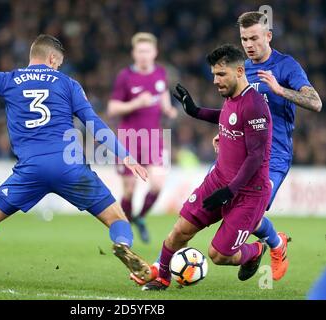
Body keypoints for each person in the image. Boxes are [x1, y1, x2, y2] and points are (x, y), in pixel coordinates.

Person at [0, 34, 155, 291]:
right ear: (51, 58)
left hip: (31, 170)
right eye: (58, 63)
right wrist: (125, 155)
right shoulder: (69, 84)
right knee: (116, 219)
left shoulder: (9, 80)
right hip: (69, 167)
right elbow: (94, 123)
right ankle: (123, 246)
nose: (58, 68)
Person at [137, 44, 273, 290]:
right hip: (219, 182)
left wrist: (231, 190)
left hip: (248, 194)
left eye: (221, 74)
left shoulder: (255, 106)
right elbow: (226, 117)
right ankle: (163, 277)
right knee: (180, 230)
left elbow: (256, 156)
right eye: (213, 74)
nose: (215, 80)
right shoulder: (233, 99)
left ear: (240, 71)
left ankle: (255, 250)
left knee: (218, 254)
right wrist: (195, 111)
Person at [213, 11, 322, 281]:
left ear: (268, 36)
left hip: (274, 156)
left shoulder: (286, 66)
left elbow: (316, 102)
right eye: (244, 39)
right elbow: (234, 106)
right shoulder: (242, 68)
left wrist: (280, 90)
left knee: (250, 212)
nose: (249, 45)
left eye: (254, 38)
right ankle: (275, 243)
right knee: (225, 209)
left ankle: (272, 244)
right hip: (241, 153)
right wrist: (223, 132)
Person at [107, 32, 177, 243]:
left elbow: (162, 95)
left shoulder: (161, 73)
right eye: (140, 51)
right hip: (128, 138)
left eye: (148, 51)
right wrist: (136, 103)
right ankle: (125, 233)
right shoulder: (125, 76)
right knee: (129, 190)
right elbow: (112, 108)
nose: (144, 55)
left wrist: (168, 109)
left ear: (154, 52)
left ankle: (139, 217)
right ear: (134, 53)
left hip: (153, 137)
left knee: (157, 183)